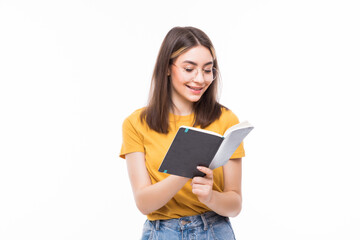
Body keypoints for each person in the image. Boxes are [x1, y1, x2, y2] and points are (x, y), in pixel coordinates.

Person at [120, 26, 245, 240]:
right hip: (162, 233)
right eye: (189, 69)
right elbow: (143, 203)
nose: (200, 79)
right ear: (167, 68)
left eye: (208, 70)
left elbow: (234, 205)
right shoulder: (136, 123)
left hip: (215, 230)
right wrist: (184, 170)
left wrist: (210, 197)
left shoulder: (226, 119)